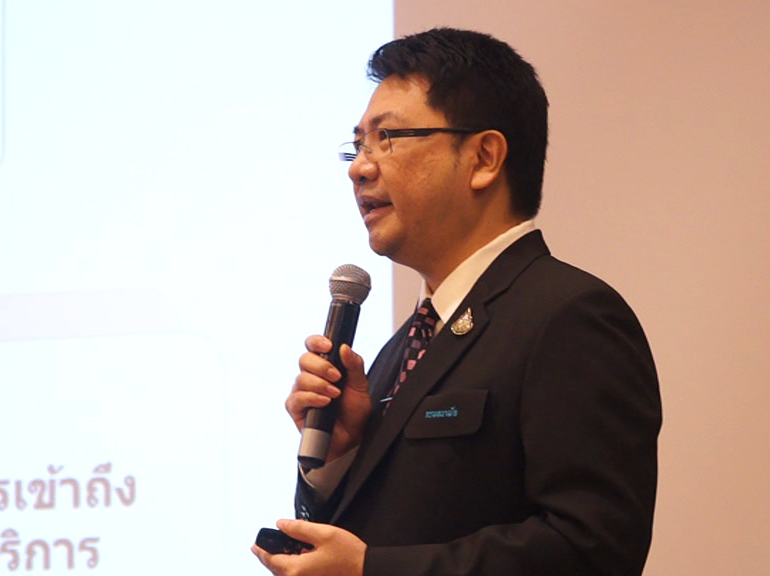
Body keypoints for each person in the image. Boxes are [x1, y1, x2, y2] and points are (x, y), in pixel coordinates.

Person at [252, 27, 662, 576]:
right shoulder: (405, 346)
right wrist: (342, 454)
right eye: (358, 145)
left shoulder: (570, 317)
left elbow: (593, 549)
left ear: (484, 158)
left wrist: (374, 571)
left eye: (387, 138)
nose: (359, 167)